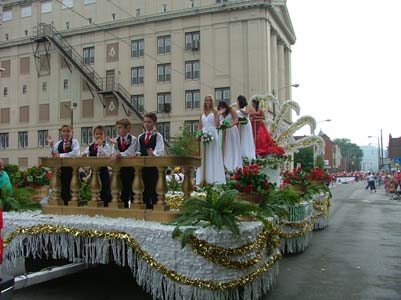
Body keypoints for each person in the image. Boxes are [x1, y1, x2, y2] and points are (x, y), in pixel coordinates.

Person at [195, 95, 226, 186]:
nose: (208, 102)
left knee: (212, 155)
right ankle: (203, 178)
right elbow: (199, 127)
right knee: (204, 156)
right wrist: (198, 135)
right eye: (206, 100)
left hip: (212, 134)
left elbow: (217, 125)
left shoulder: (215, 112)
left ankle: (214, 178)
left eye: (209, 100)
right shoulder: (202, 114)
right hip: (204, 135)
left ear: (212, 102)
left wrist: (218, 115)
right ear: (204, 102)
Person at [137, 113, 165, 209]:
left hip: (153, 168)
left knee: (153, 188)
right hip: (142, 167)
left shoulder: (158, 136)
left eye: (149, 122)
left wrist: (153, 153)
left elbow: (160, 150)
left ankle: (155, 207)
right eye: (145, 122)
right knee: (144, 188)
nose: (147, 124)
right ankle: (146, 207)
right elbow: (138, 149)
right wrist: (138, 153)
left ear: (154, 123)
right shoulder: (140, 136)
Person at [48, 124, 80, 204]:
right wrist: (51, 145)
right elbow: (53, 154)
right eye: (64, 131)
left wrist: (61, 155)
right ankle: (64, 203)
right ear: (61, 133)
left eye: (68, 131)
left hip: (72, 169)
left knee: (72, 186)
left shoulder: (75, 142)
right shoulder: (59, 143)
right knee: (63, 186)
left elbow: (75, 153)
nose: (66, 133)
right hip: (62, 169)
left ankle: (72, 203)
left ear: (72, 132)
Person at [109, 119, 138, 208]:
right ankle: (124, 207)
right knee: (123, 190)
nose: (118, 130)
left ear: (127, 128)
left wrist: (119, 154)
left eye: (120, 128)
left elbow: (130, 153)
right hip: (120, 169)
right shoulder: (116, 140)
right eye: (117, 128)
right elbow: (113, 153)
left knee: (133, 189)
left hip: (131, 168)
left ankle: (134, 208)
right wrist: (116, 147)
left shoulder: (133, 139)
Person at [82, 126, 112, 206]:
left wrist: (100, 146)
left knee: (104, 190)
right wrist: (84, 155)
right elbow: (85, 153)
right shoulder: (91, 146)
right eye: (97, 134)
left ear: (104, 136)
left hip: (103, 172)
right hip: (94, 172)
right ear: (94, 135)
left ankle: (106, 206)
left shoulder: (106, 146)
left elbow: (105, 155)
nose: (99, 136)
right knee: (95, 189)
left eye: (101, 134)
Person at [217, 100, 243, 170]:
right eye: (220, 108)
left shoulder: (231, 110)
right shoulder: (219, 113)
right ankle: (223, 163)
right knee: (222, 147)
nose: (222, 109)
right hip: (222, 131)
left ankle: (233, 163)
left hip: (231, 130)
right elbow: (216, 122)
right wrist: (219, 114)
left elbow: (236, 120)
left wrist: (230, 125)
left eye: (223, 107)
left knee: (231, 146)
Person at [236, 95, 255, 160]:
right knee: (241, 139)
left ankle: (248, 154)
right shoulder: (238, 108)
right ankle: (241, 154)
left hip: (246, 124)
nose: (237, 102)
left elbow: (246, 113)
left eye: (238, 101)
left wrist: (239, 109)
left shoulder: (247, 106)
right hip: (240, 125)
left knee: (246, 138)